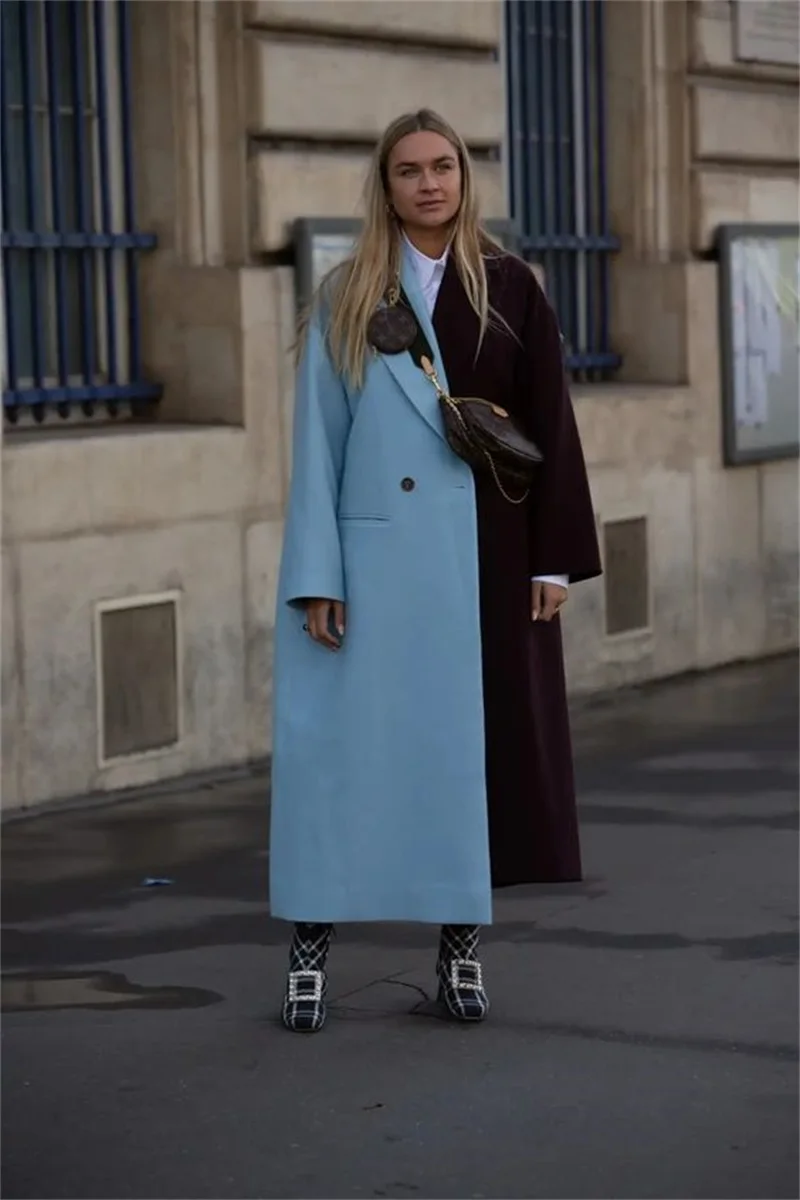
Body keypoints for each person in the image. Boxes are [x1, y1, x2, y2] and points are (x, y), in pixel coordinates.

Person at [270, 109, 601, 1033]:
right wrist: (317, 575)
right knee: (339, 759)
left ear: (464, 177)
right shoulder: (348, 293)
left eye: (443, 166)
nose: (428, 184)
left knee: (466, 761)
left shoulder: (510, 289)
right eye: (409, 170)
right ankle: (309, 948)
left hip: (486, 565)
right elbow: (317, 448)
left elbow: (554, 429)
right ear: (386, 187)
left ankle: (459, 947)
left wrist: (557, 564)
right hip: (373, 566)